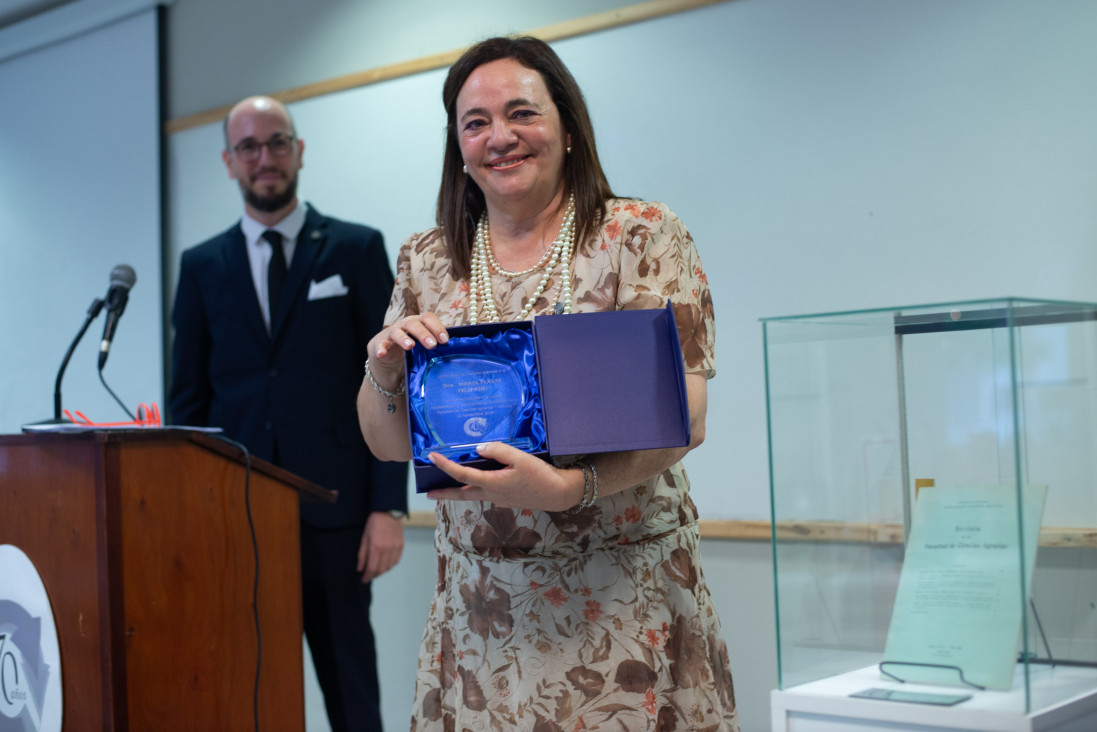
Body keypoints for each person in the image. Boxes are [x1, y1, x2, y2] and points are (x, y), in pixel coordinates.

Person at [357, 37, 739, 731]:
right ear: (457, 144)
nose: (498, 137)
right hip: (481, 616)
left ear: (566, 124)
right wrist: (382, 370)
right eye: (475, 123)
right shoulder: (427, 258)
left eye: (520, 113)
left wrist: (572, 490)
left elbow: (687, 414)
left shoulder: (640, 236)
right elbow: (387, 443)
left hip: (623, 600)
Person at [170, 95, 407, 731]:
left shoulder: (356, 249)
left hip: (337, 515)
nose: (265, 158)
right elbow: (187, 403)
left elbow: (393, 383)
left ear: (299, 150)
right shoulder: (199, 268)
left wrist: (388, 508)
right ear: (229, 162)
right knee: (245, 692)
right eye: (249, 147)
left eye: (277, 142)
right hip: (235, 520)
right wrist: (193, 516)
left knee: (351, 692)